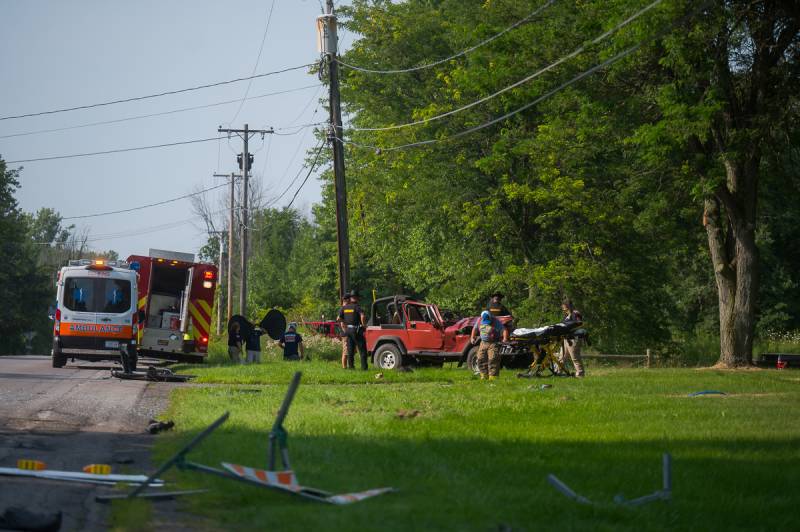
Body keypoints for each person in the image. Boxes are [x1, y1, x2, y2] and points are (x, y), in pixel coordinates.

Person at [470, 310, 509, 380]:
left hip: (493, 343)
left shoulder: (495, 321)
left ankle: (493, 377)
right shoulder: (479, 321)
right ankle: (484, 376)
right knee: (481, 359)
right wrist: (472, 337)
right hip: (483, 343)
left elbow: (504, 330)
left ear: (490, 318)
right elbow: (474, 329)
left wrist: (505, 338)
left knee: (493, 359)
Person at [337, 290, 368, 370]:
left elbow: (338, 318)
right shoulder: (357, 307)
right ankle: (364, 368)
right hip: (356, 330)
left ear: (350, 298)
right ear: (357, 298)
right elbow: (363, 316)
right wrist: (364, 325)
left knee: (350, 350)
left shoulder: (344, 307)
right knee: (362, 350)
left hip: (348, 330)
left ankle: (351, 367)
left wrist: (346, 323)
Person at [559, 299, 585, 377]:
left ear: (567, 305)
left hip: (574, 338)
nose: (562, 307)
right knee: (562, 357)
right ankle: (558, 372)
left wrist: (569, 328)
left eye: (563, 305)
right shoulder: (566, 315)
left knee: (575, 357)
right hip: (566, 339)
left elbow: (580, 323)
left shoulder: (575, 313)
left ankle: (580, 374)